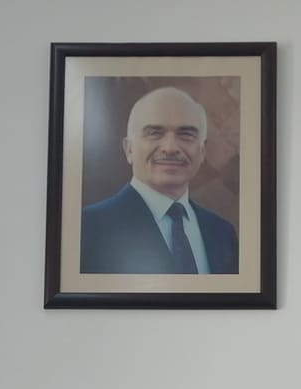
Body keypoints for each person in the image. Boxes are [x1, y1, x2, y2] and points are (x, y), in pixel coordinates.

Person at [80, 86, 238, 275]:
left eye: (186, 134)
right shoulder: (87, 228)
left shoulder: (223, 233)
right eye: (154, 133)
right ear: (129, 149)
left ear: (202, 151)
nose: (170, 148)